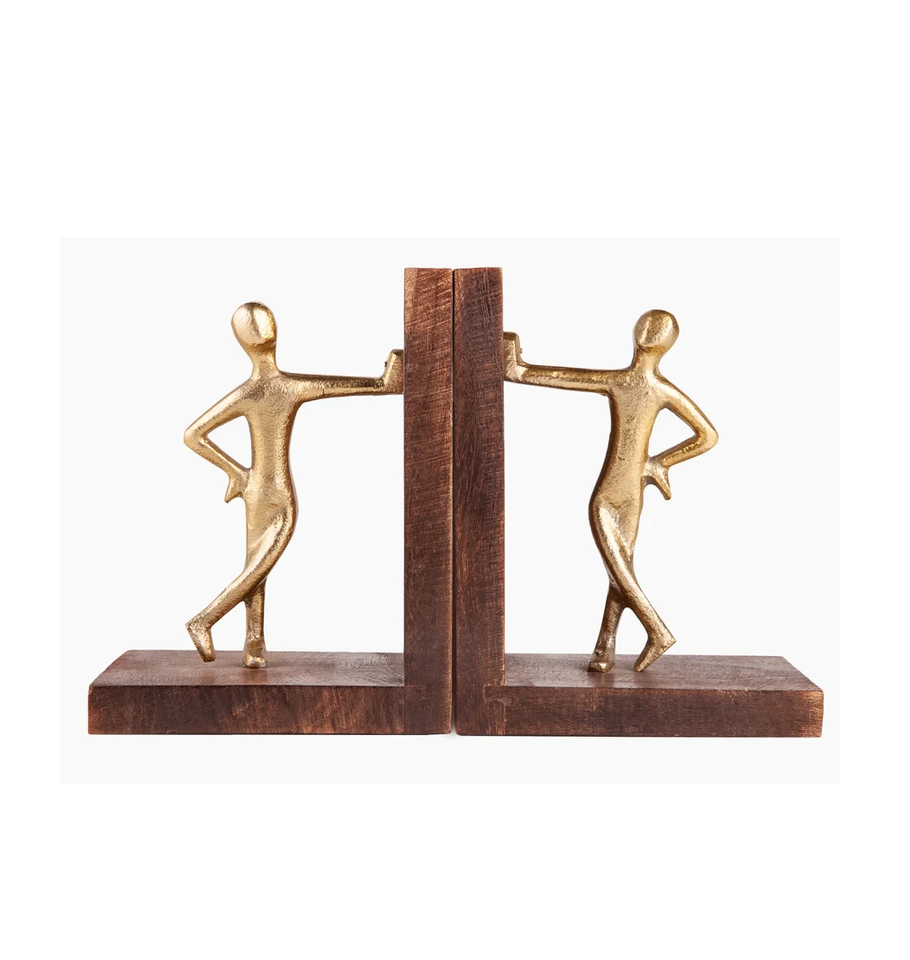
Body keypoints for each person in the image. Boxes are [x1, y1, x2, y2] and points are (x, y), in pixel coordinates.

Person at [184, 302, 403, 668]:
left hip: (257, 489)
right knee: (260, 565)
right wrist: (235, 472)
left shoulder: (256, 391)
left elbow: (194, 436)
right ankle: (204, 620)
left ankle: (254, 641)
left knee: (258, 566)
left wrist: (239, 473)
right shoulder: (283, 387)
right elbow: (193, 435)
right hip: (275, 491)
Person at [503, 310, 717, 672]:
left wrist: (661, 463)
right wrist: (515, 367)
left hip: (615, 491)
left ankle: (657, 630)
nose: (648, 332)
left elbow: (708, 436)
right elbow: (551, 377)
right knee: (619, 568)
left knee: (619, 567)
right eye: (647, 325)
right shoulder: (632, 383)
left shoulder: (642, 386)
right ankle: (605, 648)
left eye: (654, 329)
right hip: (629, 489)